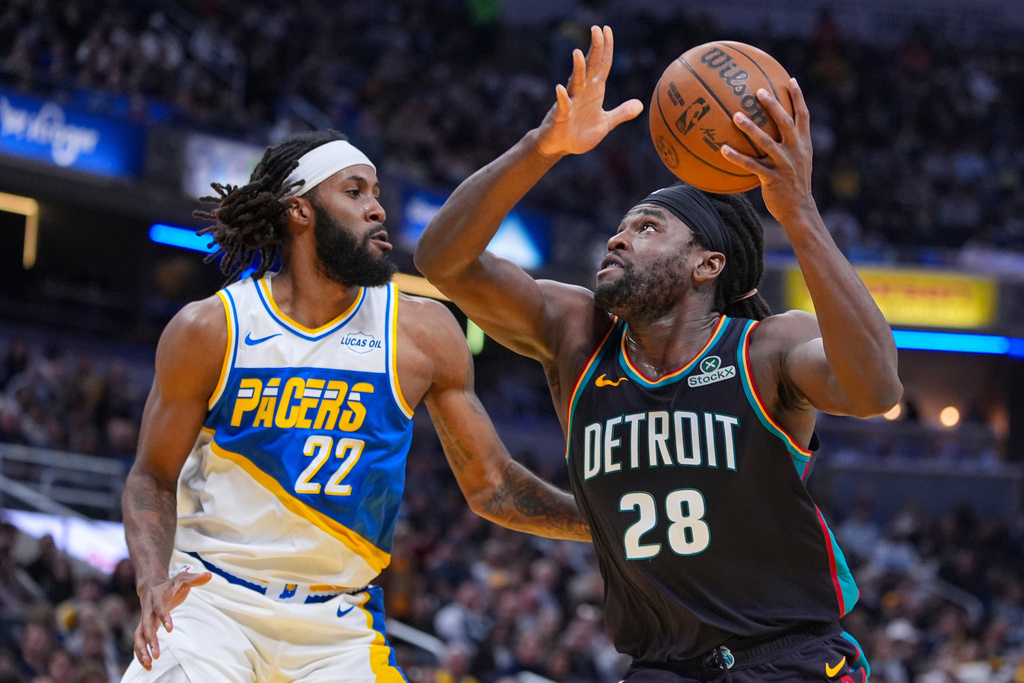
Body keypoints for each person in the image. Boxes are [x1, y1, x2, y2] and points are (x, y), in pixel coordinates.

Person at [414, 25, 902, 683]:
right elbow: (442, 260)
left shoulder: (766, 348)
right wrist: (542, 146)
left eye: (646, 227)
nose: (617, 239)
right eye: (619, 228)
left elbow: (876, 389)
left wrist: (800, 213)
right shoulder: (578, 335)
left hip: (787, 660)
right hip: (659, 667)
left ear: (707, 264)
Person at [121, 130, 589, 682]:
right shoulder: (212, 327)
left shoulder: (421, 331)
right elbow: (151, 477)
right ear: (299, 210)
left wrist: (608, 526)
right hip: (211, 603)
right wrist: (152, 581)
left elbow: (493, 486)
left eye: (376, 193)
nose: (377, 209)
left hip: (338, 625)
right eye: (354, 191)